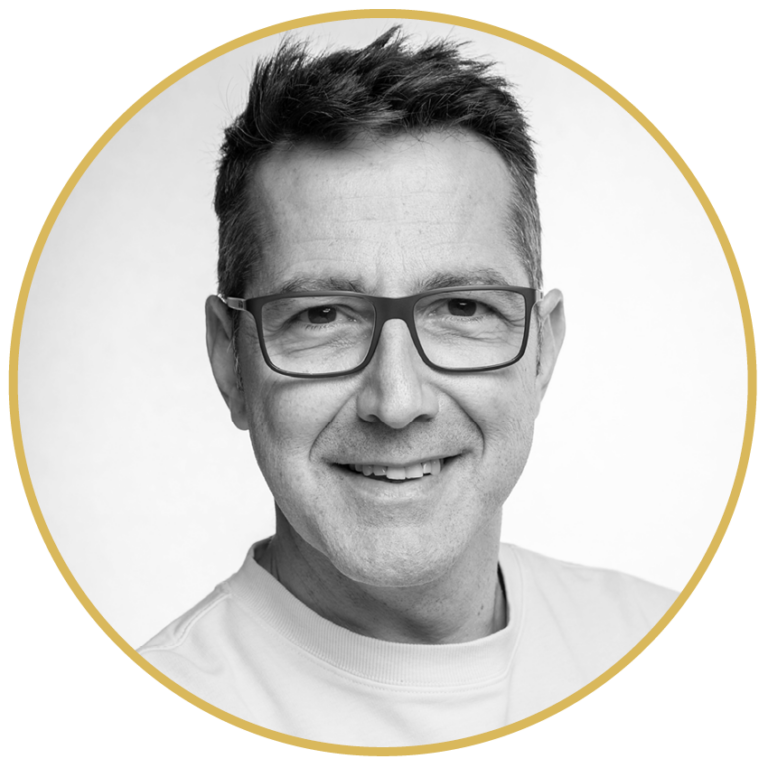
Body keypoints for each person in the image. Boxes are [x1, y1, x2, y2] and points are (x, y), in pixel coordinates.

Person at [138, 28, 677, 746]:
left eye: (462, 309)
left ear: (542, 349)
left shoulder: (643, 630)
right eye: (322, 316)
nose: (396, 402)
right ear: (231, 361)